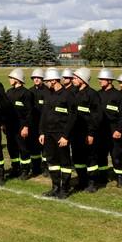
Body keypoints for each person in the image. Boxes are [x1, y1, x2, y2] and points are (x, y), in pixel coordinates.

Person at [39, 68, 76, 199]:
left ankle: (65, 189)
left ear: (54, 81)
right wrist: (42, 132)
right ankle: (55, 187)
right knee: (52, 160)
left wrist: (65, 136)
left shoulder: (68, 95)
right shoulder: (48, 94)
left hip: (61, 135)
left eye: (47, 81)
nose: (46, 83)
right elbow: (43, 115)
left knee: (64, 162)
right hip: (48, 134)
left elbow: (72, 117)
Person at [5, 68, 35, 179]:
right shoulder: (9, 92)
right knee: (11, 148)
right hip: (10, 125)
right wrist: (3, 123)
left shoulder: (26, 93)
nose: (9, 80)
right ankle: (15, 168)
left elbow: (29, 112)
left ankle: (25, 170)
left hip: (21, 126)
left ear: (17, 79)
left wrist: (26, 127)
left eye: (11, 78)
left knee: (23, 148)